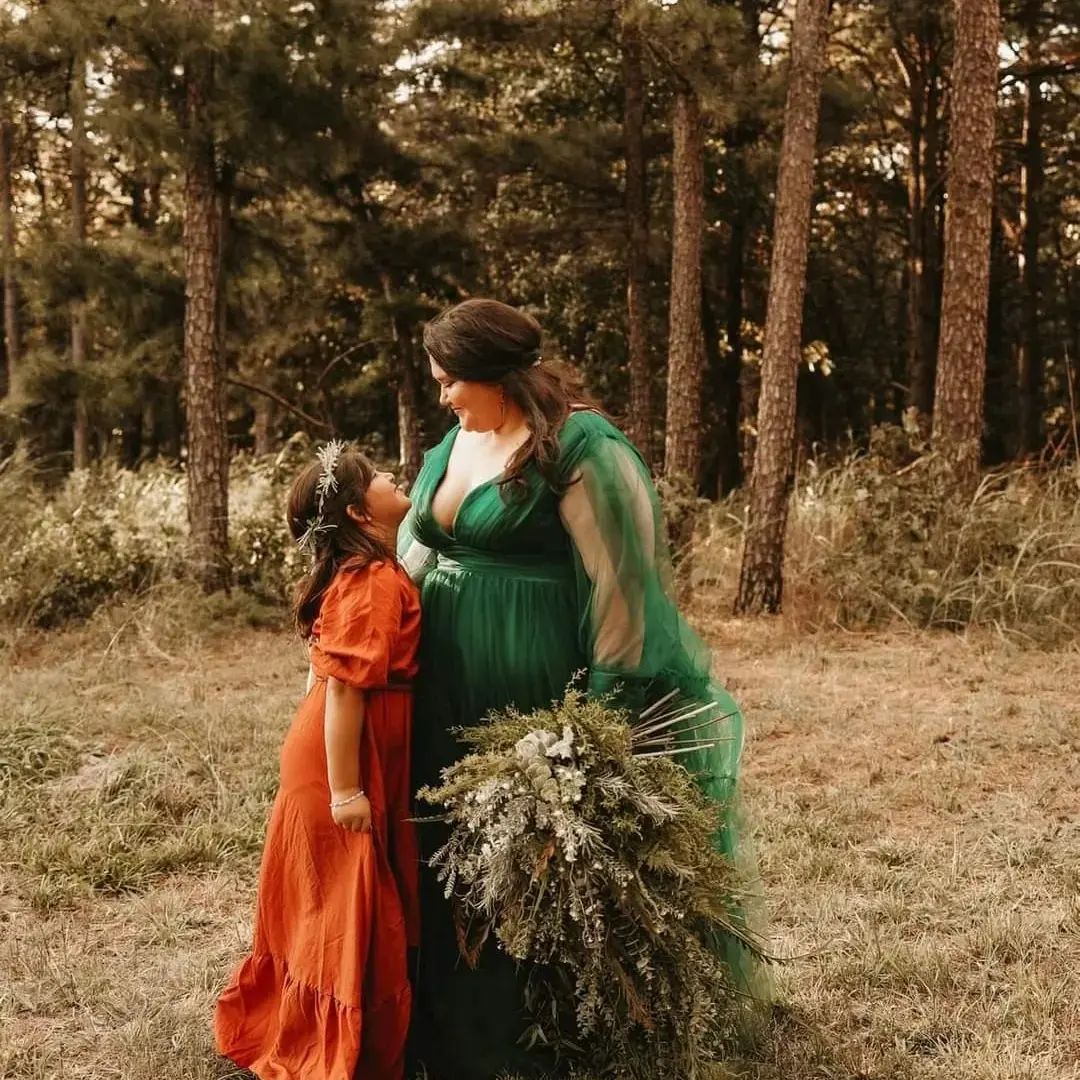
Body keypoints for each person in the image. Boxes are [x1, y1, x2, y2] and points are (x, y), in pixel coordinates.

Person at [399, 298, 766, 1080]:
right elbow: (418, 545)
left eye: (449, 381)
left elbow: (622, 590)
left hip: (534, 688)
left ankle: (543, 1041)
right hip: (440, 679)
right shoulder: (457, 438)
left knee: (525, 859)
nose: (442, 397)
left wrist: (595, 725)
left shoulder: (580, 446)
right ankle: (454, 1035)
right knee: (446, 847)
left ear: (495, 373)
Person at [215, 444, 421, 1080]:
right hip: (344, 755)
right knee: (344, 900)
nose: (395, 476)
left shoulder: (366, 572)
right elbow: (342, 688)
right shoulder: (373, 581)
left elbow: (320, 676)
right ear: (362, 511)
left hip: (347, 744)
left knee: (338, 894)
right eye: (381, 477)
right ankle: (322, 1045)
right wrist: (344, 789)